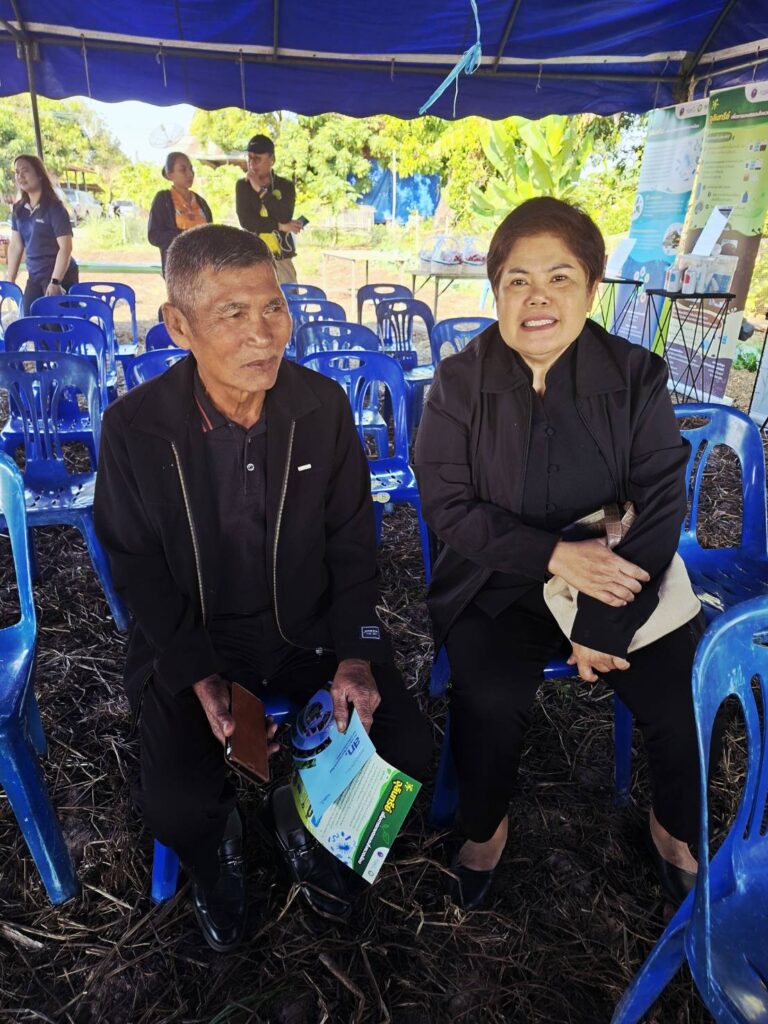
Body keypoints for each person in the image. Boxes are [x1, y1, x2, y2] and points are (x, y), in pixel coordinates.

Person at [93, 224, 429, 952]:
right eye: (233, 313)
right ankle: (219, 845)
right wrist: (196, 671)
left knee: (405, 747)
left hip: (308, 633)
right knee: (175, 803)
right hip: (197, 640)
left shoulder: (322, 408)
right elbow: (136, 566)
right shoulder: (135, 429)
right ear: (178, 325)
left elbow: (353, 544)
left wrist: (355, 655)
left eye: (273, 307)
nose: (264, 333)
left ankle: (301, 815)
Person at [414, 196, 713, 912]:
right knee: (489, 696)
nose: (537, 298)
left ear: (592, 287)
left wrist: (603, 622)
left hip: (618, 574)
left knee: (679, 694)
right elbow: (448, 506)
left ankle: (673, 828)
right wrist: (552, 554)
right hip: (495, 579)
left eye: (559, 278)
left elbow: (660, 504)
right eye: (517, 280)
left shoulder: (637, 376)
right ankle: (486, 826)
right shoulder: (458, 383)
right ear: (496, 290)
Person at [5, 154, 79, 309]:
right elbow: (16, 246)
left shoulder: (55, 208)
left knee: (56, 321)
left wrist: (55, 281)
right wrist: (10, 280)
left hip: (59, 275)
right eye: (17, 172)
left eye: (25, 171)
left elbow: (66, 248)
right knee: (29, 316)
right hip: (35, 276)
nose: (20, 176)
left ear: (39, 175)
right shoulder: (18, 209)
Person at [235, 134, 304, 285]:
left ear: (271, 159)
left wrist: (260, 190)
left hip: (282, 257)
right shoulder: (243, 185)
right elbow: (247, 222)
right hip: (253, 258)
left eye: (257, 158)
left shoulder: (285, 185)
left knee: (287, 297)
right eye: (249, 158)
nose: (252, 163)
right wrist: (280, 226)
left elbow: (284, 215)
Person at [147, 152, 213, 275]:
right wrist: (187, 238)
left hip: (204, 270)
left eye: (191, 169)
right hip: (178, 271)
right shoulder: (163, 200)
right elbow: (154, 235)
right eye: (183, 170)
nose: (190, 174)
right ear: (170, 174)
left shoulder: (201, 202)